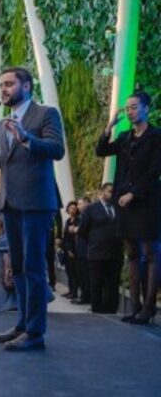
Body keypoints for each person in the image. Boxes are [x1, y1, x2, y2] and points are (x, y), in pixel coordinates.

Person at [0, 67, 65, 351]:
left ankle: (36, 332)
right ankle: (22, 324)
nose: (3, 89)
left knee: (33, 268)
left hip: (37, 203)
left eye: (9, 84)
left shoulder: (45, 114)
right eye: (1, 84)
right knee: (17, 267)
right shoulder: (1, 125)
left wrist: (27, 138)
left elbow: (56, 148)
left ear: (26, 86)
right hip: (11, 203)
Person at [96, 91, 161, 323]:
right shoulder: (124, 137)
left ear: (146, 109)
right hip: (123, 203)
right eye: (127, 108)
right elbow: (101, 151)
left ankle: (148, 306)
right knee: (132, 253)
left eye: (134, 107)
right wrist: (110, 126)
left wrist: (133, 193)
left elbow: (155, 171)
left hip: (145, 202)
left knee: (151, 253)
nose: (130, 111)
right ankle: (133, 306)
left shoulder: (156, 137)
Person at [78, 183, 121, 314]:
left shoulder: (118, 208)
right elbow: (83, 231)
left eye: (114, 192)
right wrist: (93, 243)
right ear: (102, 192)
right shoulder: (91, 209)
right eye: (109, 191)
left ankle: (111, 309)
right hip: (97, 252)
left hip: (115, 253)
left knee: (113, 282)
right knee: (97, 282)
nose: (112, 194)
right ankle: (96, 308)